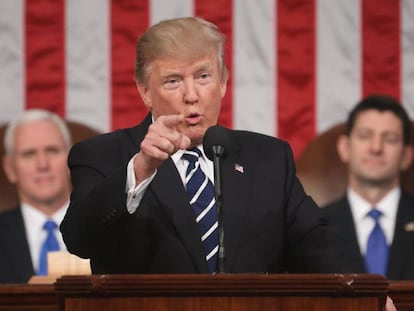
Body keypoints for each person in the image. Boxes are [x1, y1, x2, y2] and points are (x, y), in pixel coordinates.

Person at [60, 16, 352, 275]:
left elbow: (315, 243)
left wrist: (363, 297)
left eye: (203, 77)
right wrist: (141, 168)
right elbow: (80, 240)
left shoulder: (268, 158)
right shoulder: (103, 156)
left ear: (223, 82)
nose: (191, 95)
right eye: (173, 81)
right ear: (145, 91)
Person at [322, 94, 414, 280]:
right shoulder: (315, 226)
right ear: (345, 148)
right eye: (365, 136)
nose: (376, 147)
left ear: (406, 156)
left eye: (390, 139)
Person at [0, 109, 72, 283]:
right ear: (10, 168)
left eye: (52, 151)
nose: (42, 164)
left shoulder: (106, 231)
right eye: (29, 154)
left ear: (72, 158)